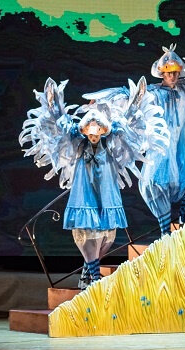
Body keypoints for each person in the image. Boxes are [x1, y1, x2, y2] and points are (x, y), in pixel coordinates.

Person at [20, 78, 168, 288]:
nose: (93, 136)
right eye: (89, 133)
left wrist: (136, 102)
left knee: (106, 235)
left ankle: (88, 274)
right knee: (86, 232)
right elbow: (60, 127)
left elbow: (128, 123)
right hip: (86, 192)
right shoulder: (78, 142)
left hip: (106, 192)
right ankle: (94, 278)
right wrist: (53, 106)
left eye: (97, 132)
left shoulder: (111, 140)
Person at [139, 45, 185, 235]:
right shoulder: (153, 93)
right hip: (163, 144)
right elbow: (131, 99)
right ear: (162, 73)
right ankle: (165, 231)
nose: (172, 76)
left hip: (183, 143)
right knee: (155, 180)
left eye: (176, 73)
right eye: (169, 73)